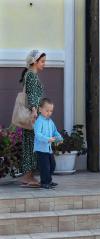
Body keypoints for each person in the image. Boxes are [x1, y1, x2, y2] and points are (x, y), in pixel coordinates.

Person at [18, 50, 46, 188]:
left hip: (33, 114)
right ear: (35, 62)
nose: (44, 64)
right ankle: (27, 176)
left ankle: (29, 176)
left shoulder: (31, 74)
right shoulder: (31, 75)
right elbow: (31, 95)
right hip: (33, 115)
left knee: (30, 144)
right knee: (31, 145)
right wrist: (35, 111)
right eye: (42, 61)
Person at [33, 98, 63, 189]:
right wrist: (48, 139)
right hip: (41, 149)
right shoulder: (39, 121)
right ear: (40, 109)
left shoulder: (50, 122)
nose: (49, 113)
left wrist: (59, 138)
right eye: (47, 111)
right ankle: (44, 182)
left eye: (51, 111)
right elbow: (37, 134)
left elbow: (55, 132)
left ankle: (48, 180)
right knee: (45, 167)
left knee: (52, 165)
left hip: (48, 149)